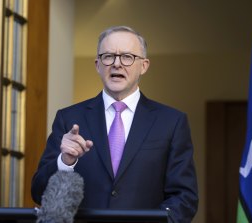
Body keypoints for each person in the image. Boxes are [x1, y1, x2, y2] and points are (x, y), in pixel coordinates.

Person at [31, 26, 198, 222]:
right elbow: (38, 192)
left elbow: (184, 198)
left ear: (144, 66)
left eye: (127, 57)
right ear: (97, 65)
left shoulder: (172, 122)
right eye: (108, 56)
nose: (117, 64)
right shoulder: (69, 118)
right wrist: (64, 162)